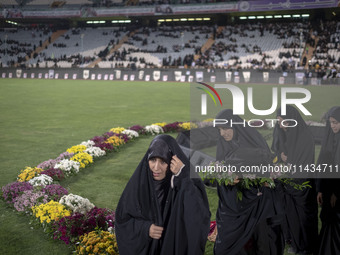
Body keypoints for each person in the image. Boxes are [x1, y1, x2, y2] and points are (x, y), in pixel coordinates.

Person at [115, 134, 211, 255]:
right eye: (153, 160)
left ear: (172, 161)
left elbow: (200, 215)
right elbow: (122, 219)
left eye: (163, 161)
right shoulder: (139, 184)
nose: (156, 168)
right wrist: (145, 228)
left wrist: (182, 178)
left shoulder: (183, 181)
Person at [214, 109, 284, 255]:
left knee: (260, 241)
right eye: (220, 129)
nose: (222, 133)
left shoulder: (254, 142)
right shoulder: (223, 145)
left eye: (226, 128)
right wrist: (226, 180)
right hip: (233, 203)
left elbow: (267, 170)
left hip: (256, 204)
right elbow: (219, 172)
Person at [271, 105, 318, 254]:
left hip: (302, 184)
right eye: (278, 121)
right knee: (290, 214)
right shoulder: (284, 133)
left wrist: (286, 160)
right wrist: (281, 157)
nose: (280, 124)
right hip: (288, 183)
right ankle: (293, 241)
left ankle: (307, 246)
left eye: (283, 121)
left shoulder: (304, 136)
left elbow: (301, 162)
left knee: (303, 217)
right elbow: (277, 151)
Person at [316, 106, 340, 255]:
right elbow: (321, 165)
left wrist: (336, 193)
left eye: (336, 122)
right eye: (331, 122)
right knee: (327, 221)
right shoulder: (329, 138)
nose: (333, 126)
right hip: (327, 187)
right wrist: (319, 188)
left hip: (337, 191)